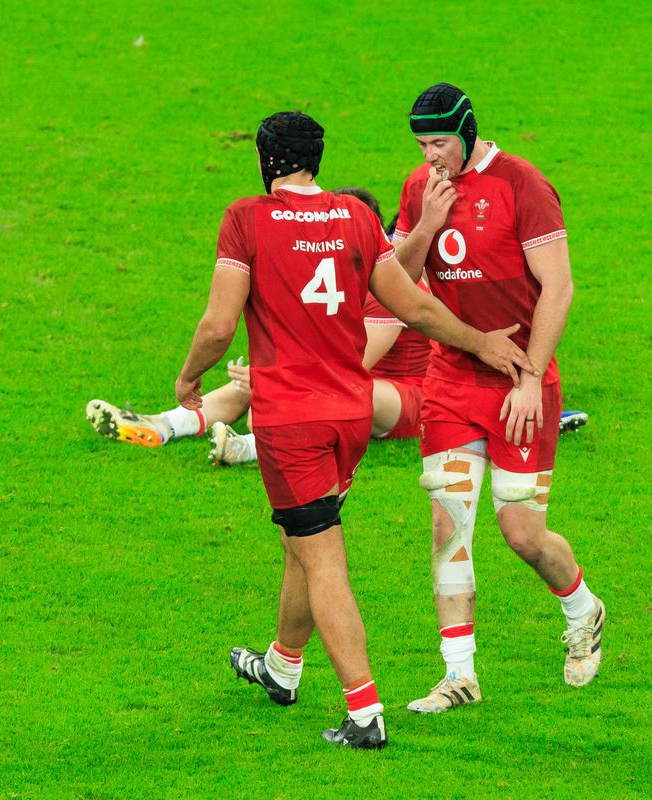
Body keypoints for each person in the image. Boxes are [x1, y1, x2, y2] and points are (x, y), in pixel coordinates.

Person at [174, 110, 535, 749]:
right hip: (350, 415)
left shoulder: (246, 218)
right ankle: (283, 666)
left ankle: (365, 714)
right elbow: (414, 305)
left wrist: (189, 379)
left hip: (293, 421)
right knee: (301, 540)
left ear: (265, 160)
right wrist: (482, 342)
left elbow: (218, 325)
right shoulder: (354, 216)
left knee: (322, 559)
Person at [391, 83, 605, 713]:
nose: (431, 156)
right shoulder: (420, 188)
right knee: (448, 523)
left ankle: (583, 610)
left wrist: (532, 377)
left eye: (440, 143)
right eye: (422, 145)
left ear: (467, 131)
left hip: (519, 384)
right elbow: (397, 281)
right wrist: (426, 223)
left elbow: (559, 287)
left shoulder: (522, 184)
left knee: (522, 533)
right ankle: (459, 674)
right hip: (450, 382)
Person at [85, 189, 430, 462]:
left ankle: (247, 447)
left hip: (400, 397)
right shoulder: (333, 273)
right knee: (254, 383)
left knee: (330, 388)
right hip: (344, 382)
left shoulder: (392, 284)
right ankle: (164, 425)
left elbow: (349, 368)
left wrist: (278, 376)